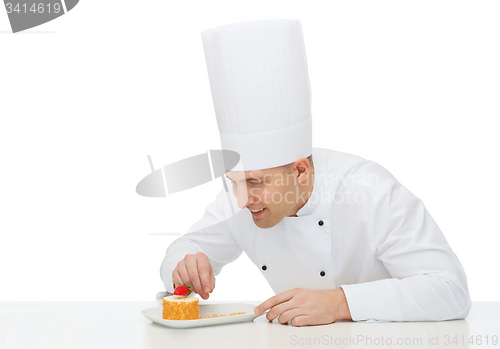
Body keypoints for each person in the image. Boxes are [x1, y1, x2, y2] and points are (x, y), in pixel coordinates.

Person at [157, 19, 471, 326]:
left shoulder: (371, 193)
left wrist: (340, 302)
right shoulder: (241, 197)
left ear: (300, 170)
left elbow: (451, 290)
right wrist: (184, 266)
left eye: (255, 182)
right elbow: (184, 248)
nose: (241, 199)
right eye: (234, 183)